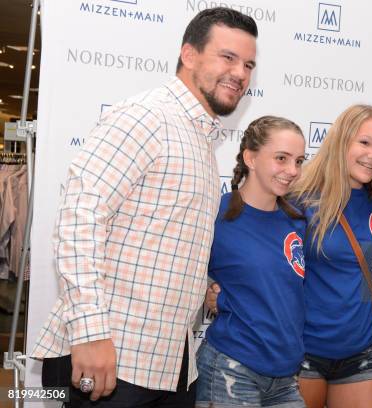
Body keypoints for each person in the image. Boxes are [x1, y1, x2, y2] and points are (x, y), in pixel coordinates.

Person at [31, 7, 257, 407]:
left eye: (249, 64)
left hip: (167, 364)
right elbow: (79, 219)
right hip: (113, 360)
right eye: (228, 57)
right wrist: (90, 333)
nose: (240, 73)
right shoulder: (146, 117)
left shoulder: (200, 139)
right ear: (189, 55)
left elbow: (155, 238)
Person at [205, 104, 372, 408]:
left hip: (360, 350)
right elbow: (254, 249)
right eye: (364, 142)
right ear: (341, 142)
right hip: (303, 353)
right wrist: (216, 291)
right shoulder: (298, 197)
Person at [195, 116, 307, 408]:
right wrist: (209, 291)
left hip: (286, 377)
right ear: (250, 158)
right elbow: (175, 275)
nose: (292, 170)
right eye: (281, 158)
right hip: (231, 369)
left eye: (298, 161)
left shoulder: (298, 221)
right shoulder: (214, 216)